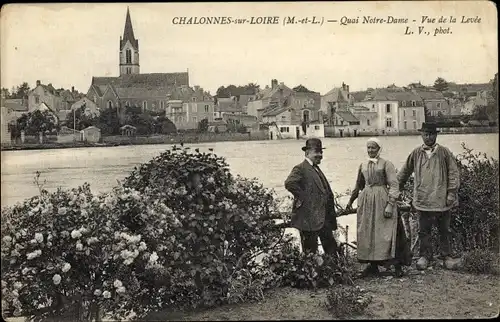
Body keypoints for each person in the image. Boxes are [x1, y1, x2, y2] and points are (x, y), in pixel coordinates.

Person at [397, 122, 460, 270]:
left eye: (431, 134)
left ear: (436, 135)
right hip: (422, 198)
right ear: (422, 135)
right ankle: (425, 256)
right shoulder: (416, 153)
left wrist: (451, 193)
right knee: (424, 230)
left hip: (441, 199)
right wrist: (396, 189)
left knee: (444, 229)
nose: (429, 137)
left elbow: (453, 173)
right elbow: (404, 172)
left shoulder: (444, 152)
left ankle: (446, 256)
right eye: (426, 134)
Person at [346, 138, 412, 277]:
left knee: (388, 232)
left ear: (379, 149)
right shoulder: (363, 165)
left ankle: (397, 265)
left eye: (373, 148)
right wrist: (350, 201)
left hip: (382, 199)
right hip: (367, 202)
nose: (370, 150)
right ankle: (372, 265)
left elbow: (394, 185)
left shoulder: (386, 164)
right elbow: (359, 185)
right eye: (368, 148)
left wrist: (390, 204)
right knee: (369, 232)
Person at [284, 138, 339, 255]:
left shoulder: (316, 168)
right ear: (307, 153)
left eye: (321, 152)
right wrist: (305, 198)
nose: (320, 155)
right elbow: (289, 183)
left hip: (323, 218)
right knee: (310, 252)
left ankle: (334, 272)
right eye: (316, 152)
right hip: (308, 219)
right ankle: (313, 273)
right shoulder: (300, 168)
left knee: (331, 249)